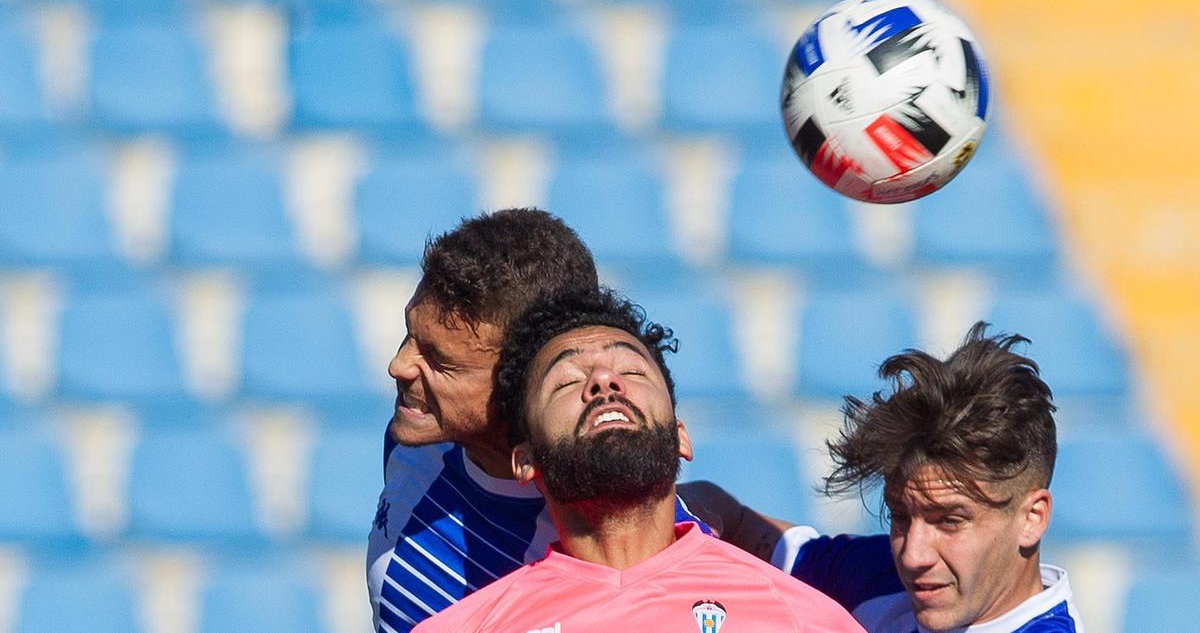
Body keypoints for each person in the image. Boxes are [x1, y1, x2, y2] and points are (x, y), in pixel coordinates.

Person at [414, 288, 864, 632]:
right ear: (526, 461)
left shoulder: (801, 617)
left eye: (631, 371)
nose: (605, 381)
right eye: (567, 381)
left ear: (680, 437)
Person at [366, 209, 708, 632]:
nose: (399, 366)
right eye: (409, 335)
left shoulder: (625, 548)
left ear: (518, 381)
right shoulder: (419, 433)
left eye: (439, 360)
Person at [694, 323, 1084, 632]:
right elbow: (737, 523)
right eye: (900, 516)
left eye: (950, 521)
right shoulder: (881, 574)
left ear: (1032, 518)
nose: (913, 556)